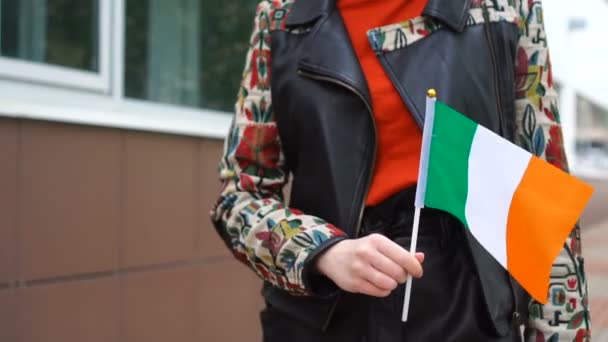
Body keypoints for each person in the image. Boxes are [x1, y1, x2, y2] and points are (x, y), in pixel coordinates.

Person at [211, 0, 591, 340]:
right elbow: (239, 198)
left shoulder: (504, 9)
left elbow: (543, 192)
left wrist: (561, 330)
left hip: (468, 308)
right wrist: (321, 251)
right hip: (320, 314)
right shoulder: (281, 18)